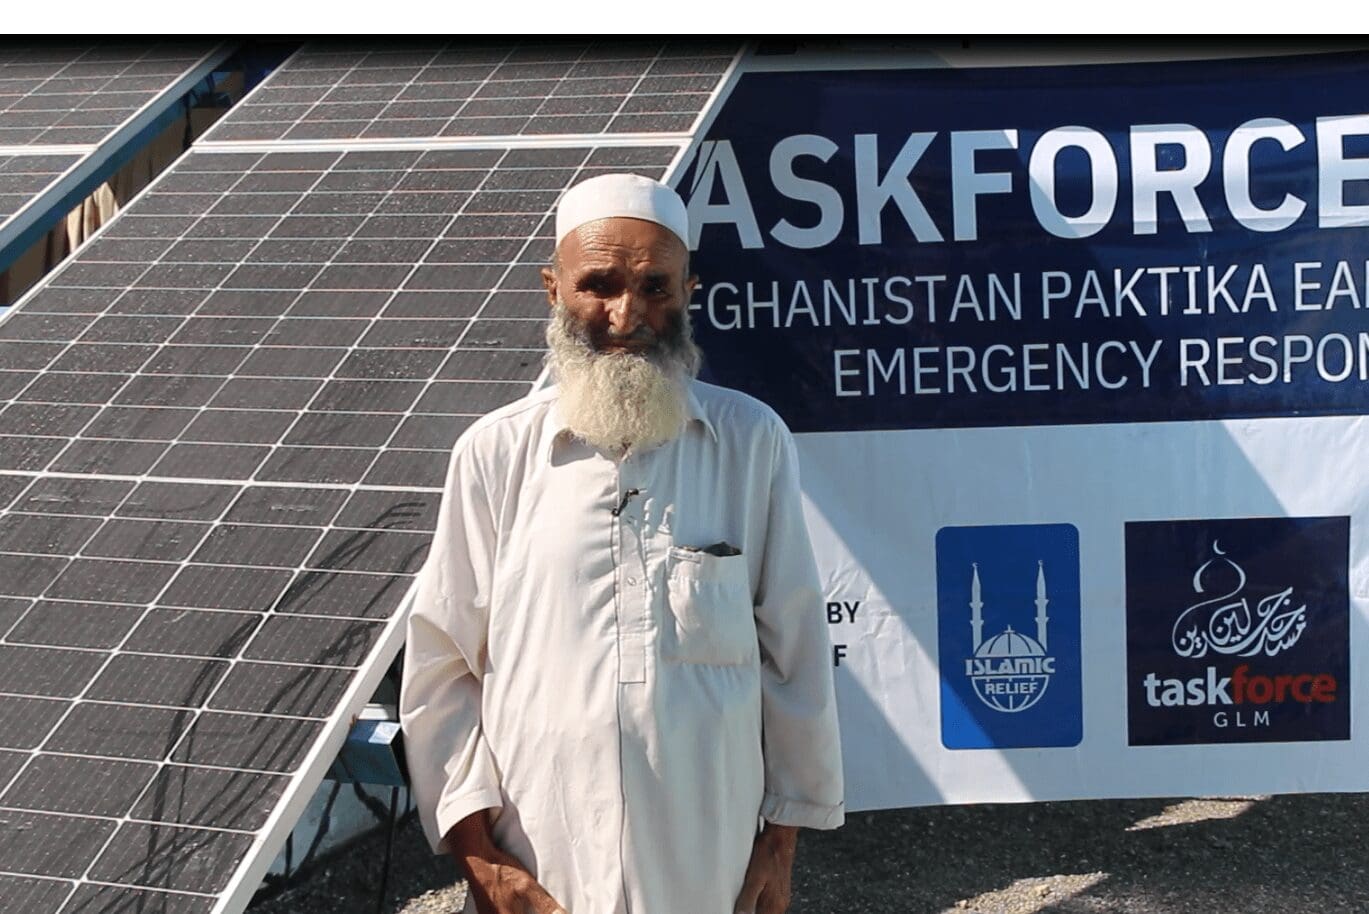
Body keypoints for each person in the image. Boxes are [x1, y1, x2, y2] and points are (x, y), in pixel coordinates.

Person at [400, 173, 844, 914]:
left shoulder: (749, 441)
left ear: (688, 292)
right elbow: (441, 665)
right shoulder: (494, 454)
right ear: (553, 289)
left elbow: (795, 650)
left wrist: (780, 844)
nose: (626, 314)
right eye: (598, 285)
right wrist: (484, 863)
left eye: (654, 288)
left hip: (707, 856)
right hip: (540, 855)